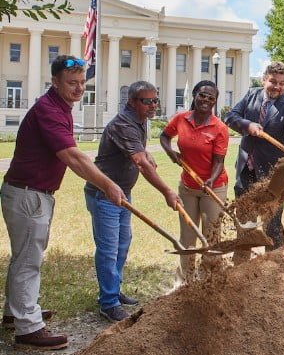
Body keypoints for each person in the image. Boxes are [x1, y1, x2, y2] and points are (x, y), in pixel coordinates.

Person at [1, 56, 126, 350]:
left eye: (82, 82)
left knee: (24, 257)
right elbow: (72, 156)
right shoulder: (49, 110)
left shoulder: (60, 107)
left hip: (31, 193)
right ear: (54, 82)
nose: (79, 88)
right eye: (72, 82)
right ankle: (28, 328)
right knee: (29, 260)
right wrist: (107, 184)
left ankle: (16, 312)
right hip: (29, 194)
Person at [84, 81, 181, 323]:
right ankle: (108, 303)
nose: (152, 105)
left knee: (122, 244)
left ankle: (113, 290)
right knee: (108, 249)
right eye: (146, 101)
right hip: (104, 194)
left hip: (122, 193)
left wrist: (146, 153)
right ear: (131, 101)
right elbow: (139, 162)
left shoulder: (140, 121)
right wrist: (167, 191)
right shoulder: (124, 124)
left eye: (155, 100)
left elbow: (137, 152)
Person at [224, 62, 284, 250]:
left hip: (271, 176)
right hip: (245, 170)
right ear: (264, 79)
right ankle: (243, 266)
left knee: (272, 226)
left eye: (282, 83)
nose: (277, 86)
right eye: (273, 81)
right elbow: (231, 116)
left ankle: (275, 268)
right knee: (244, 225)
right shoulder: (252, 94)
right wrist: (247, 125)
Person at [160, 80, 229, 283]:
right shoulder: (181, 119)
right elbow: (164, 137)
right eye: (202, 95)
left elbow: (219, 162)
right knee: (187, 236)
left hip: (213, 188)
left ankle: (209, 279)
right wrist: (171, 152)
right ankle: (186, 280)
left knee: (211, 236)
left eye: (211, 98)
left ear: (215, 102)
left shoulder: (219, 127)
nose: (205, 100)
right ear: (194, 95)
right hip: (188, 187)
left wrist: (210, 181)